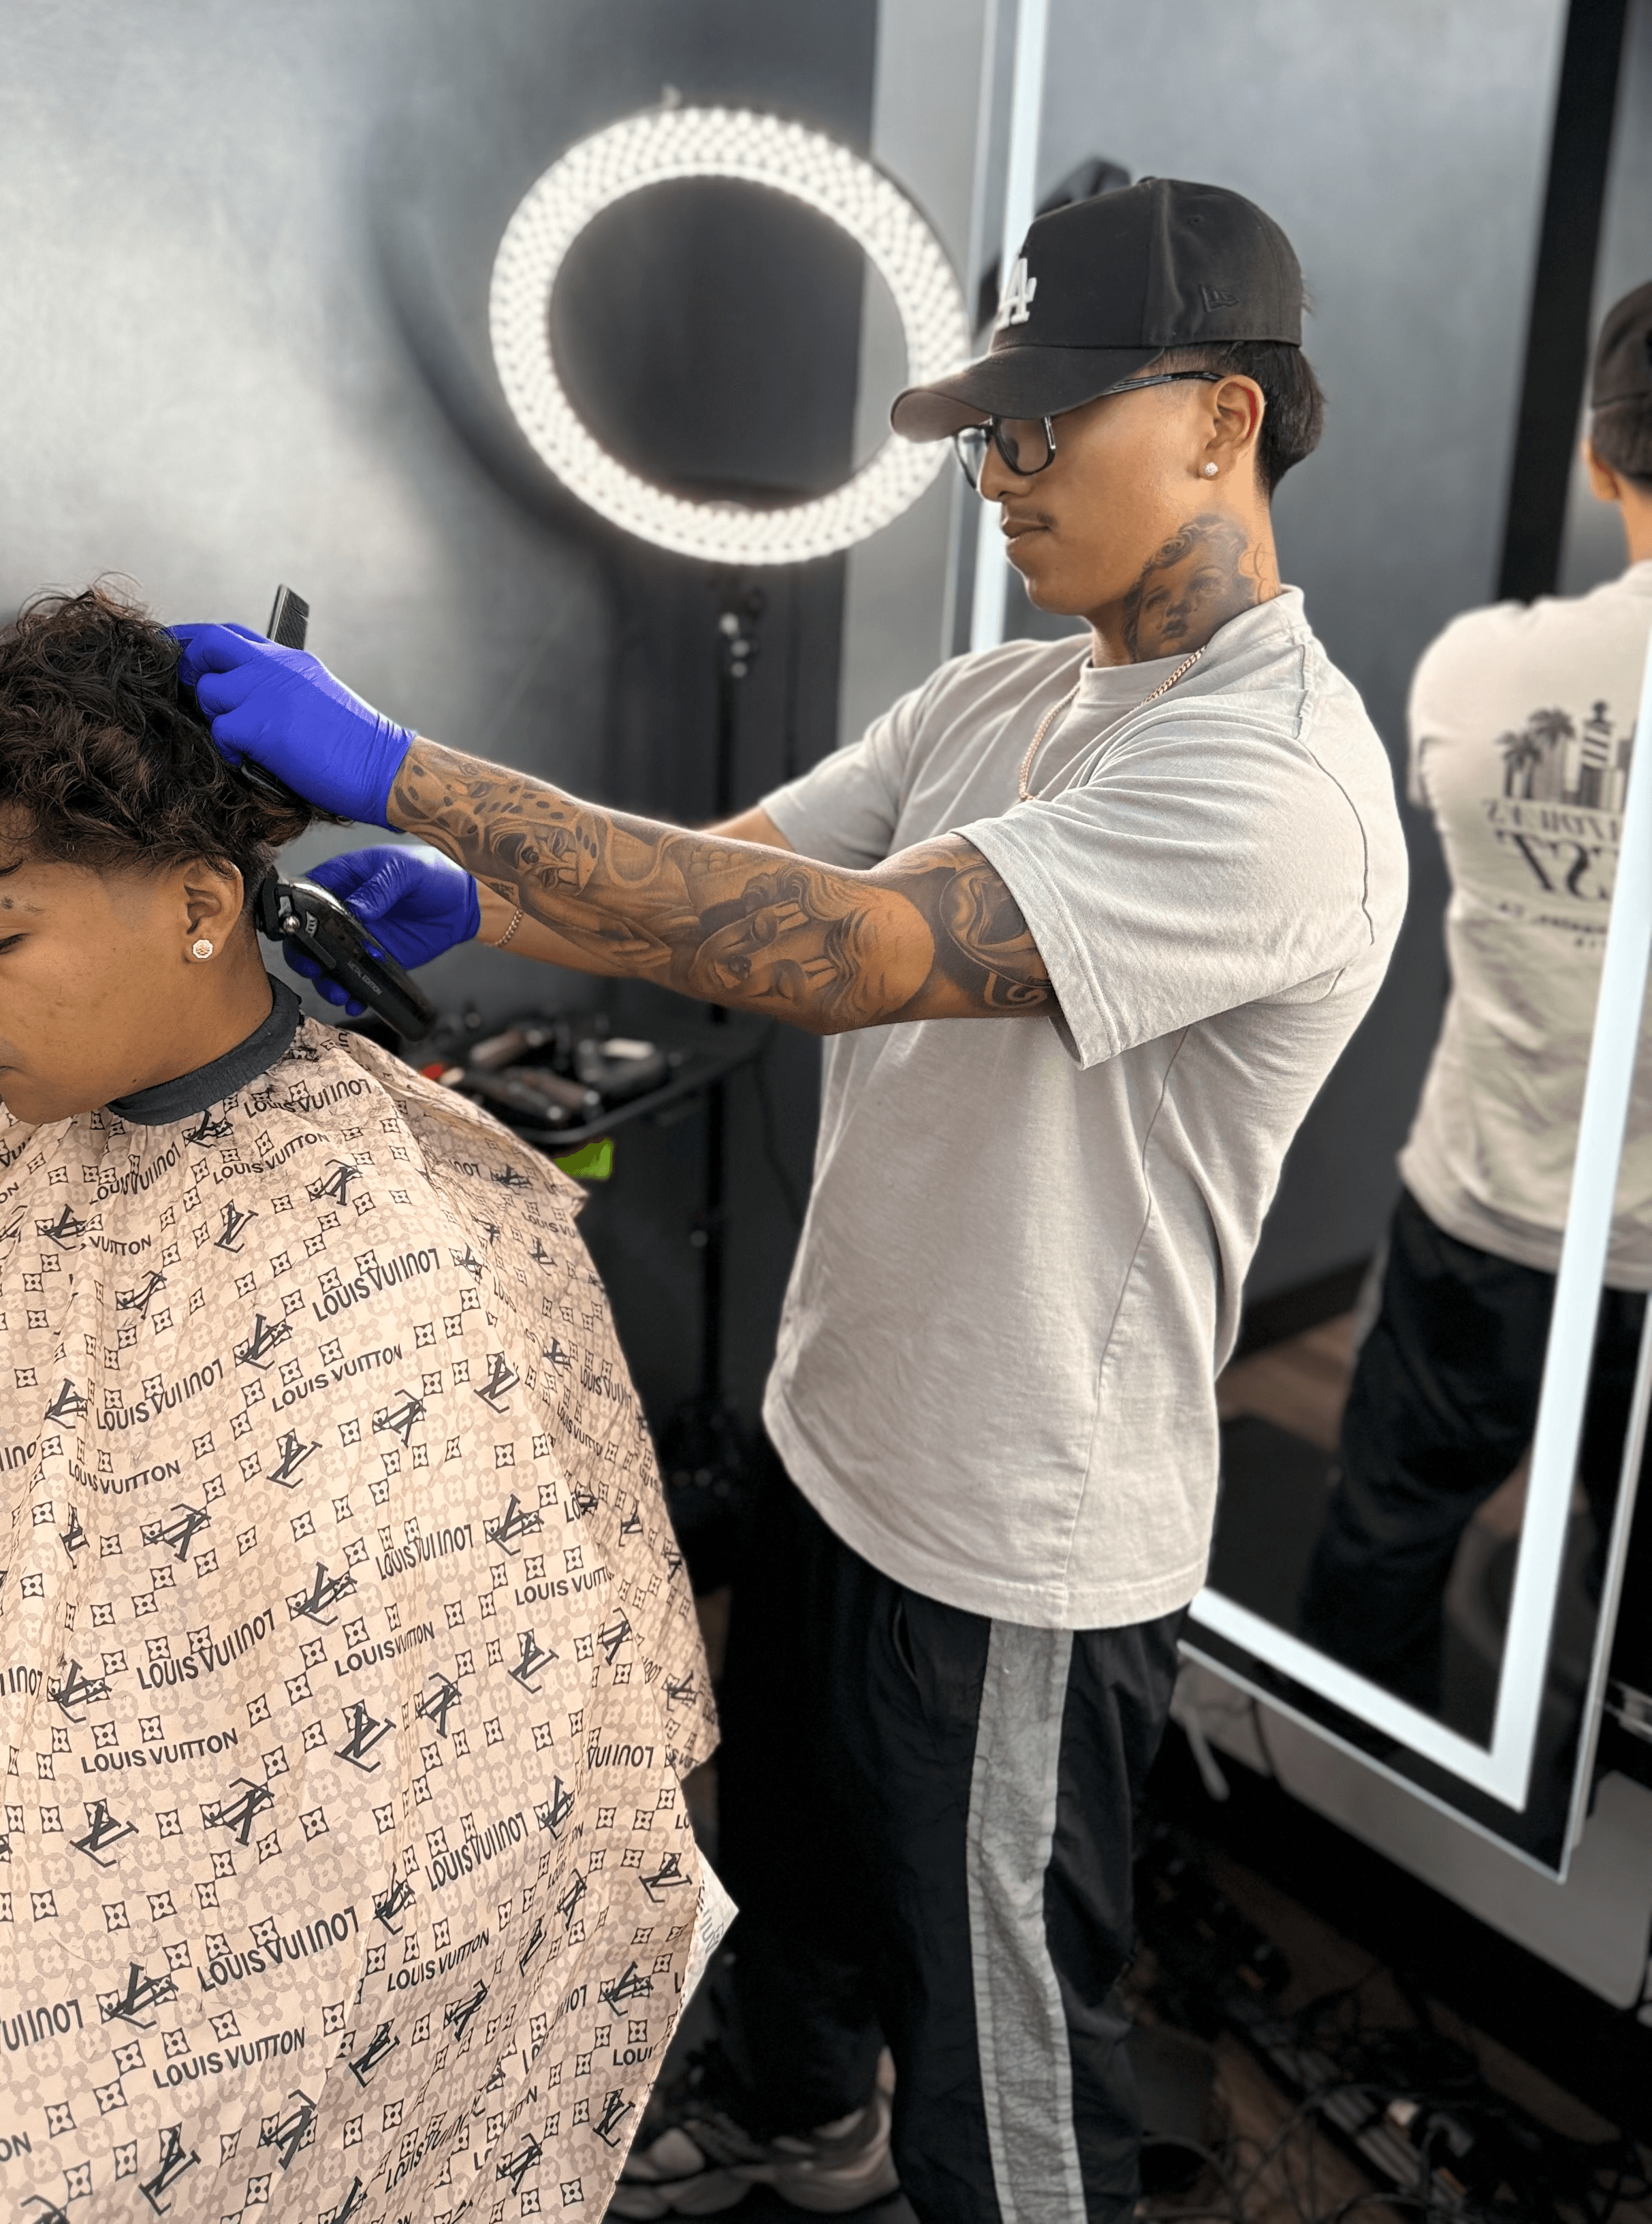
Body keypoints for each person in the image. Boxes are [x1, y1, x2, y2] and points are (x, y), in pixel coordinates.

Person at [172, 176, 1408, 2224]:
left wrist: (407, 771)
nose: (995, 477)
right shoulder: (1002, 699)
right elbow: (737, 871)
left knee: (1007, 2084)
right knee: (794, 1897)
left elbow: (847, 952)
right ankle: (797, 2124)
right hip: (839, 1441)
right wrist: (473, 894)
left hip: (1015, 1540)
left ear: (1223, 419)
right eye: (987, 430)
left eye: (1042, 425)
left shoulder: (1274, 784)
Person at [0, 588, 721, 2224]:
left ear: (204, 907)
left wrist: (415, 783)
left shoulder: (396, 1252)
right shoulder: (41, 1127)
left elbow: (478, 1810)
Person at [1299, 283, 1652, 1712]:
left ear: (1597, 459)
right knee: (1635, 1631)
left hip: (1478, 1216)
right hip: (1593, 1247)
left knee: (1381, 1544)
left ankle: (1339, 1800)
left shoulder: (1476, 668)